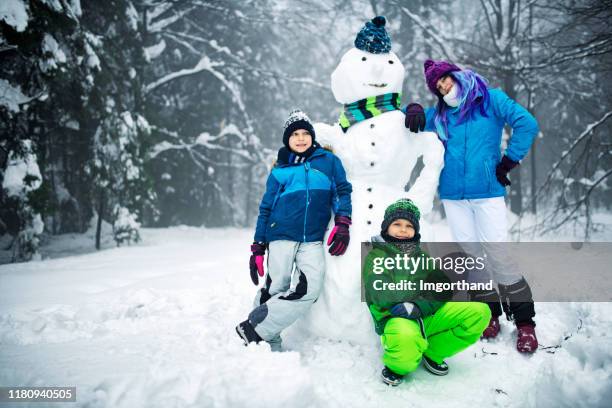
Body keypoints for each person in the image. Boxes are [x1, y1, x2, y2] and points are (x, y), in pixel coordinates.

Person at [403, 59, 540, 353]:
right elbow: (406, 120)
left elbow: (527, 124)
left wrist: (509, 160)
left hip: (487, 192)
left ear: (456, 75)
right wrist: (412, 109)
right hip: (453, 196)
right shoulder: (440, 114)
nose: (443, 87)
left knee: (498, 254)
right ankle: (489, 314)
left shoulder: (490, 99)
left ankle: (525, 323)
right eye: (438, 87)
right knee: (472, 255)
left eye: (445, 80)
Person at [236, 109, 353, 351]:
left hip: (312, 239)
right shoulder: (279, 170)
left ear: (312, 136)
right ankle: (269, 339)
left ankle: (253, 329)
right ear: (287, 140)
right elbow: (266, 207)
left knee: (309, 289)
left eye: (304, 133)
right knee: (275, 287)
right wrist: (258, 246)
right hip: (280, 236)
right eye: (294, 135)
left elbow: (342, 191)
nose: (300, 138)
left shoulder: (329, 162)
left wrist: (343, 222)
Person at [363, 198, 490, 386]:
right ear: (386, 228)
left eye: (409, 226)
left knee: (479, 313)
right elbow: (381, 292)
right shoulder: (377, 256)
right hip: (396, 318)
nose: (403, 230)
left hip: (424, 314)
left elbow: (442, 287)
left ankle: (433, 351)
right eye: (397, 224)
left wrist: (419, 305)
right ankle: (397, 366)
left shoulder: (421, 256)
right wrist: (420, 292)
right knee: (405, 350)